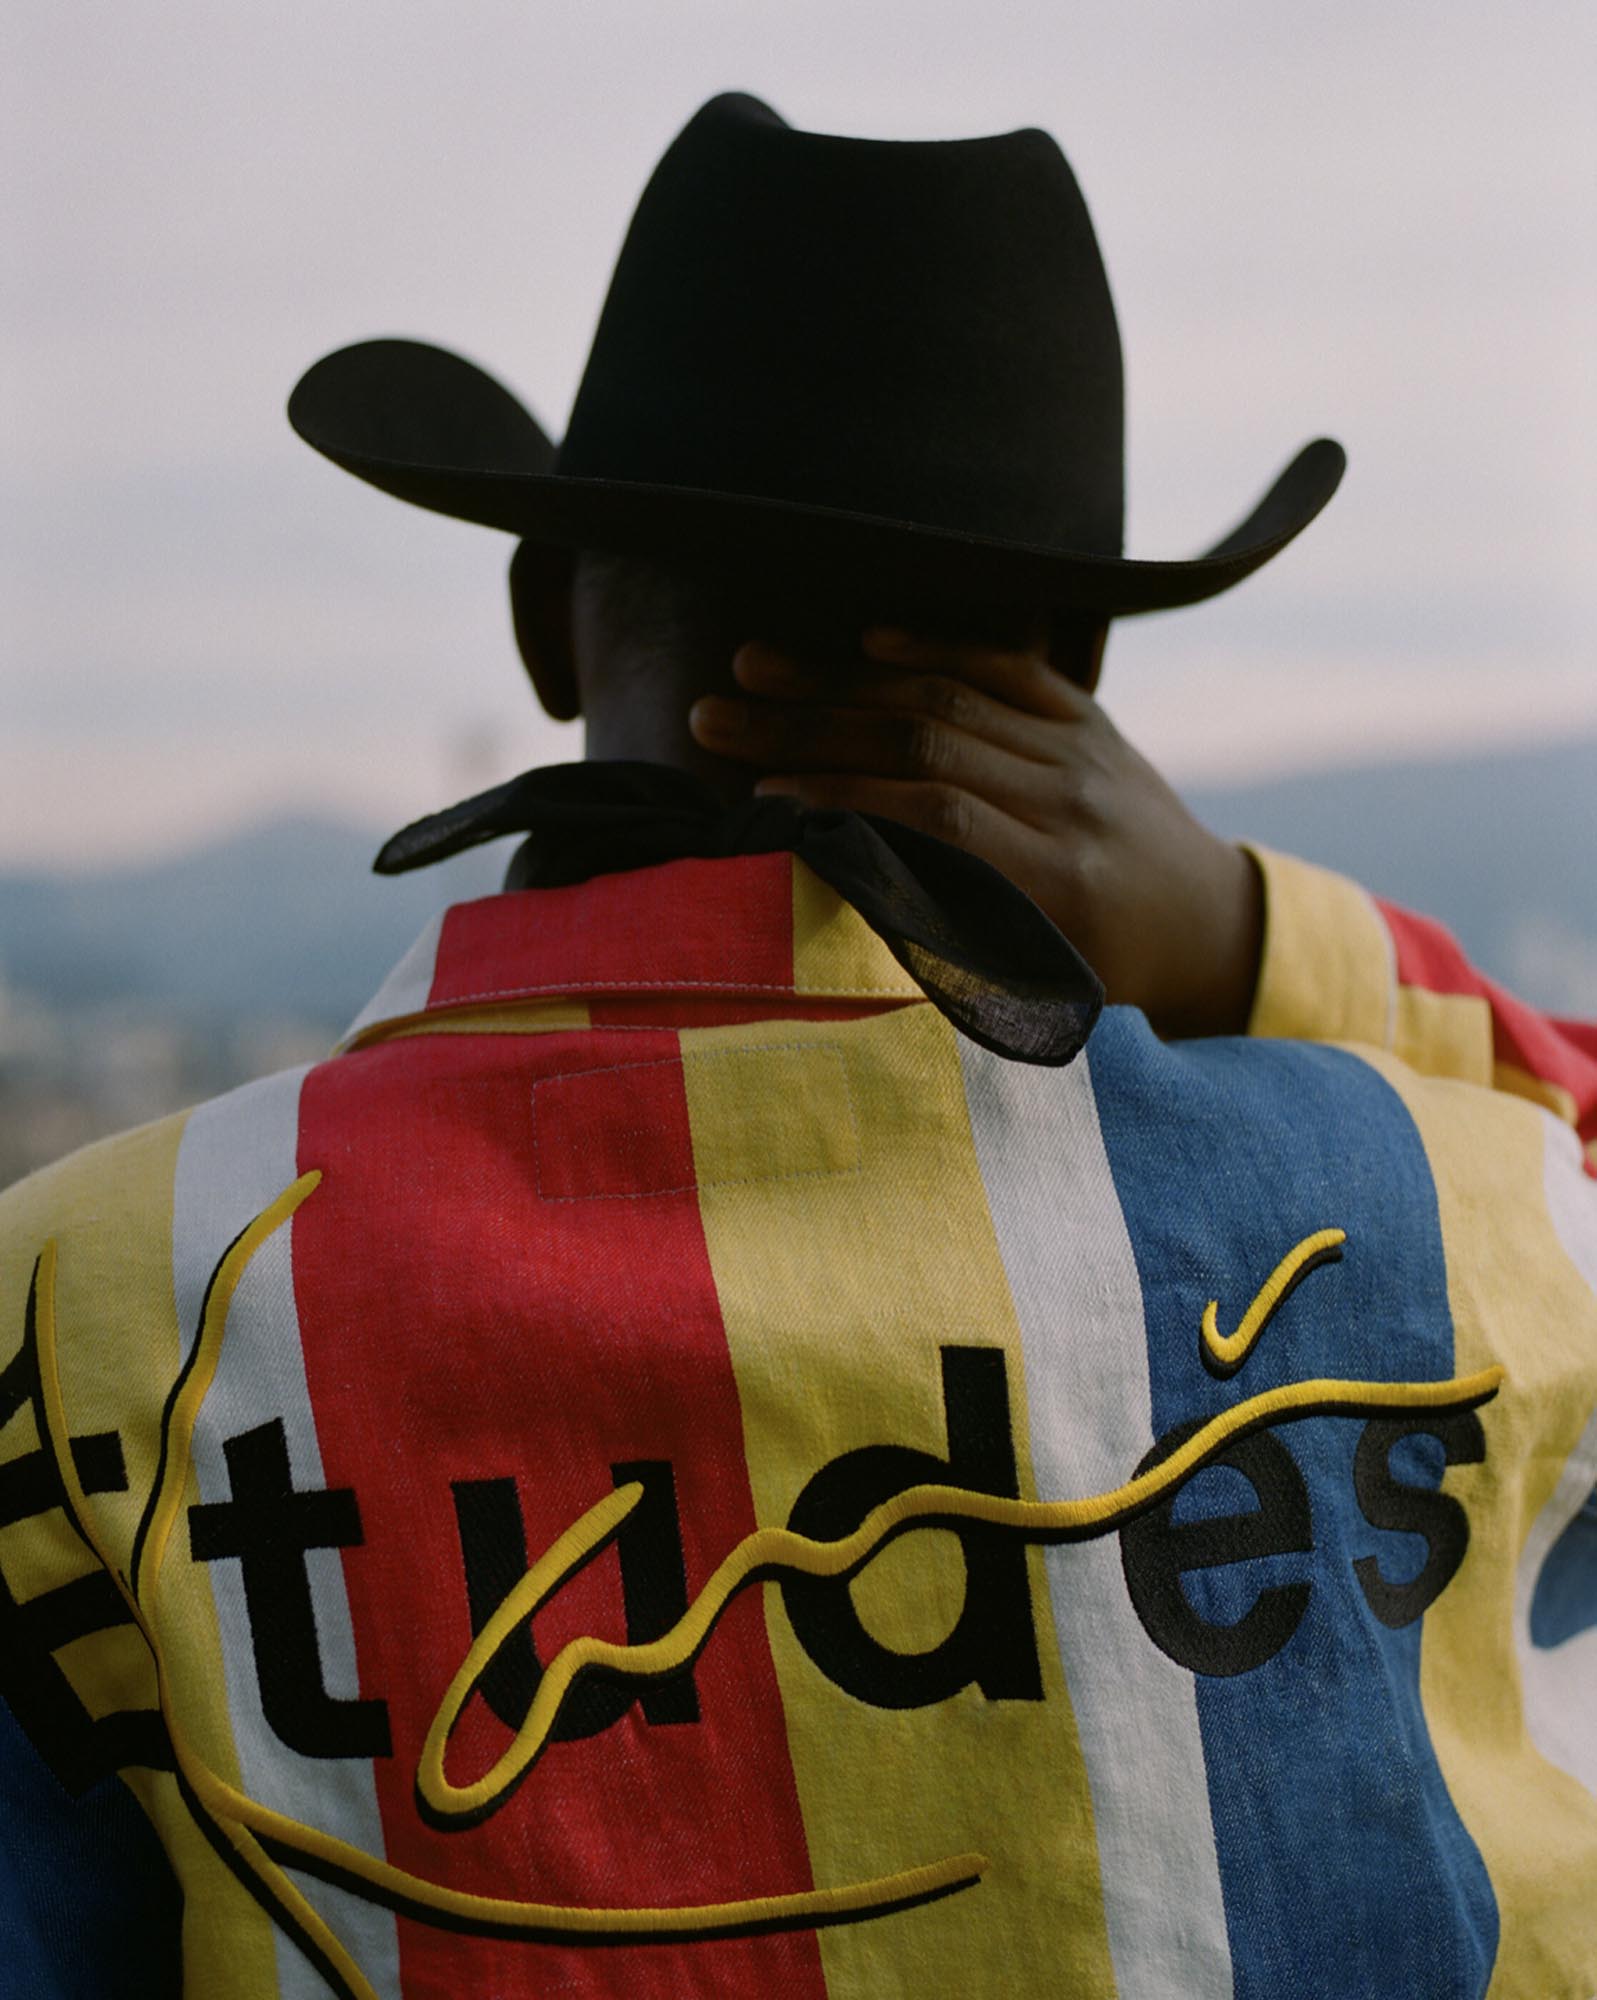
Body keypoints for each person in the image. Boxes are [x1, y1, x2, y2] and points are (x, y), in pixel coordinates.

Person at [2, 92, 1593, 2000]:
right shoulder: (1453, 1225)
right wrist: (1252, 935)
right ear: (1076, 683)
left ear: (543, 627)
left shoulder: (79, 1308)